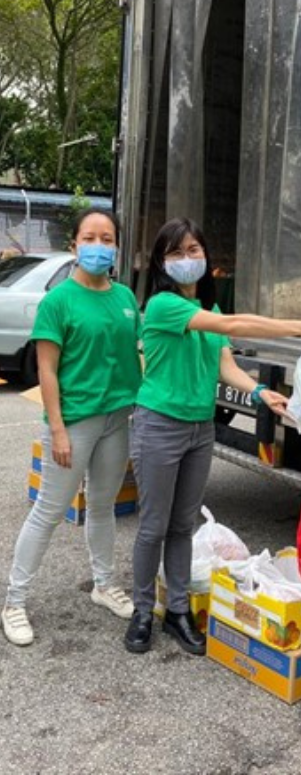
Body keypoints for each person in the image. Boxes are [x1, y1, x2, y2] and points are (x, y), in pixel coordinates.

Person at [124, 218, 301, 655]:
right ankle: (143, 611)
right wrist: (300, 327)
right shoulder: (165, 306)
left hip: (199, 429)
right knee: (153, 526)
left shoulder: (211, 311)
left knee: (183, 525)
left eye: (193, 250)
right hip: (159, 426)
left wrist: (262, 392)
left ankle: (179, 612)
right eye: (176, 252)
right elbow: (237, 324)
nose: (187, 259)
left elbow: (225, 365)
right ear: (161, 262)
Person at [2, 210, 140, 647]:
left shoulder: (125, 297)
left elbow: (134, 351)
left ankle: (103, 584)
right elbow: (47, 370)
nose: (99, 245)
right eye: (90, 237)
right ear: (75, 244)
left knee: (102, 506)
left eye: (107, 238)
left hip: (118, 417)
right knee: (49, 509)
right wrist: (57, 429)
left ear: (116, 246)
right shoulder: (58, 300)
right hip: (74, 421)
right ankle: (14, 601)